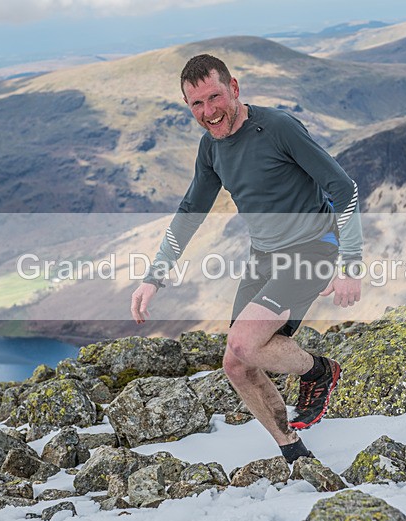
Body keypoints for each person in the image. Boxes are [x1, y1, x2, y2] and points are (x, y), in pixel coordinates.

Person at [130, 54, 363, 464]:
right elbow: (190, 211)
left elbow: (345, 188)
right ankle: (295, 455)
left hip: (313, 247)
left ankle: (319, 372)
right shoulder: (211, 148)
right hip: (264, 255)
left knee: (244, 341)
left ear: (234, 88)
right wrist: (154, 276)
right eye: (197, 104)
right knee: (236, 364)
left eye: (215, 97)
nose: (209, 111)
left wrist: (350, 264)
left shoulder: (278, 128)